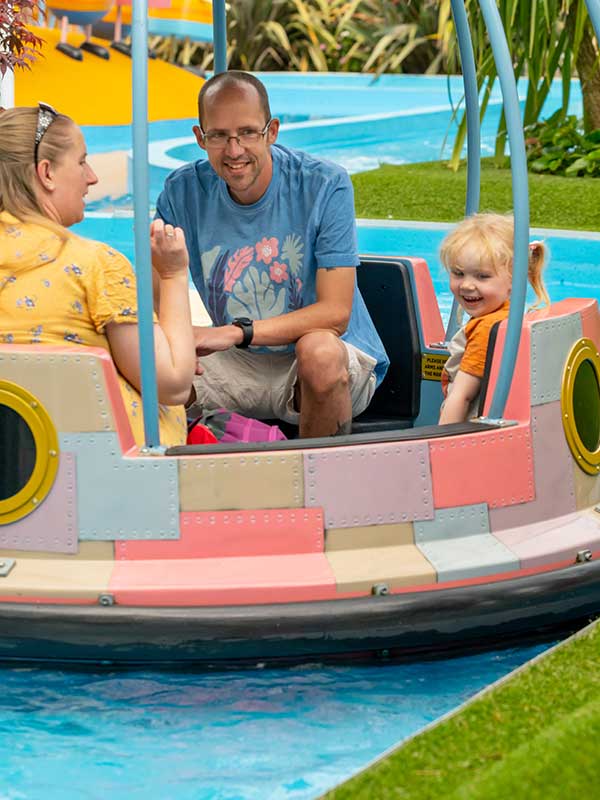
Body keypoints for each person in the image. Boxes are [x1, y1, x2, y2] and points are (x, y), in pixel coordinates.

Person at [155, 70, 389, 438]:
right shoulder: (181, 191)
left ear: (272, 131)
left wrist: (235, 333)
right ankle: (203, 474)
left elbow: (335, 314)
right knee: (147, 359)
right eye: (219, 136)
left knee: (320, 353)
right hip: (237, 363)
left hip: (317, 357)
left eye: (248, 132)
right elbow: (159, 301)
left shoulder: (324, 184)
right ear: (200, 138)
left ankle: (317, 482)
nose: (234, 151)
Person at [0, 104, 195, 447]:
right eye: (81, 161)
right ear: (46, 173)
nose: (92, 177)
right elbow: (174, 384)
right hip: (104, 472)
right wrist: (173, 274)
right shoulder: (95, 266)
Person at [438, 212, 548, 424]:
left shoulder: (486, 328)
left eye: (482, 276)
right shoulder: (508, 315)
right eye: (458, 273)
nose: (467, 285)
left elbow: (462, 396)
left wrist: (438, 444)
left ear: (514, 279)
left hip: (466, 433)